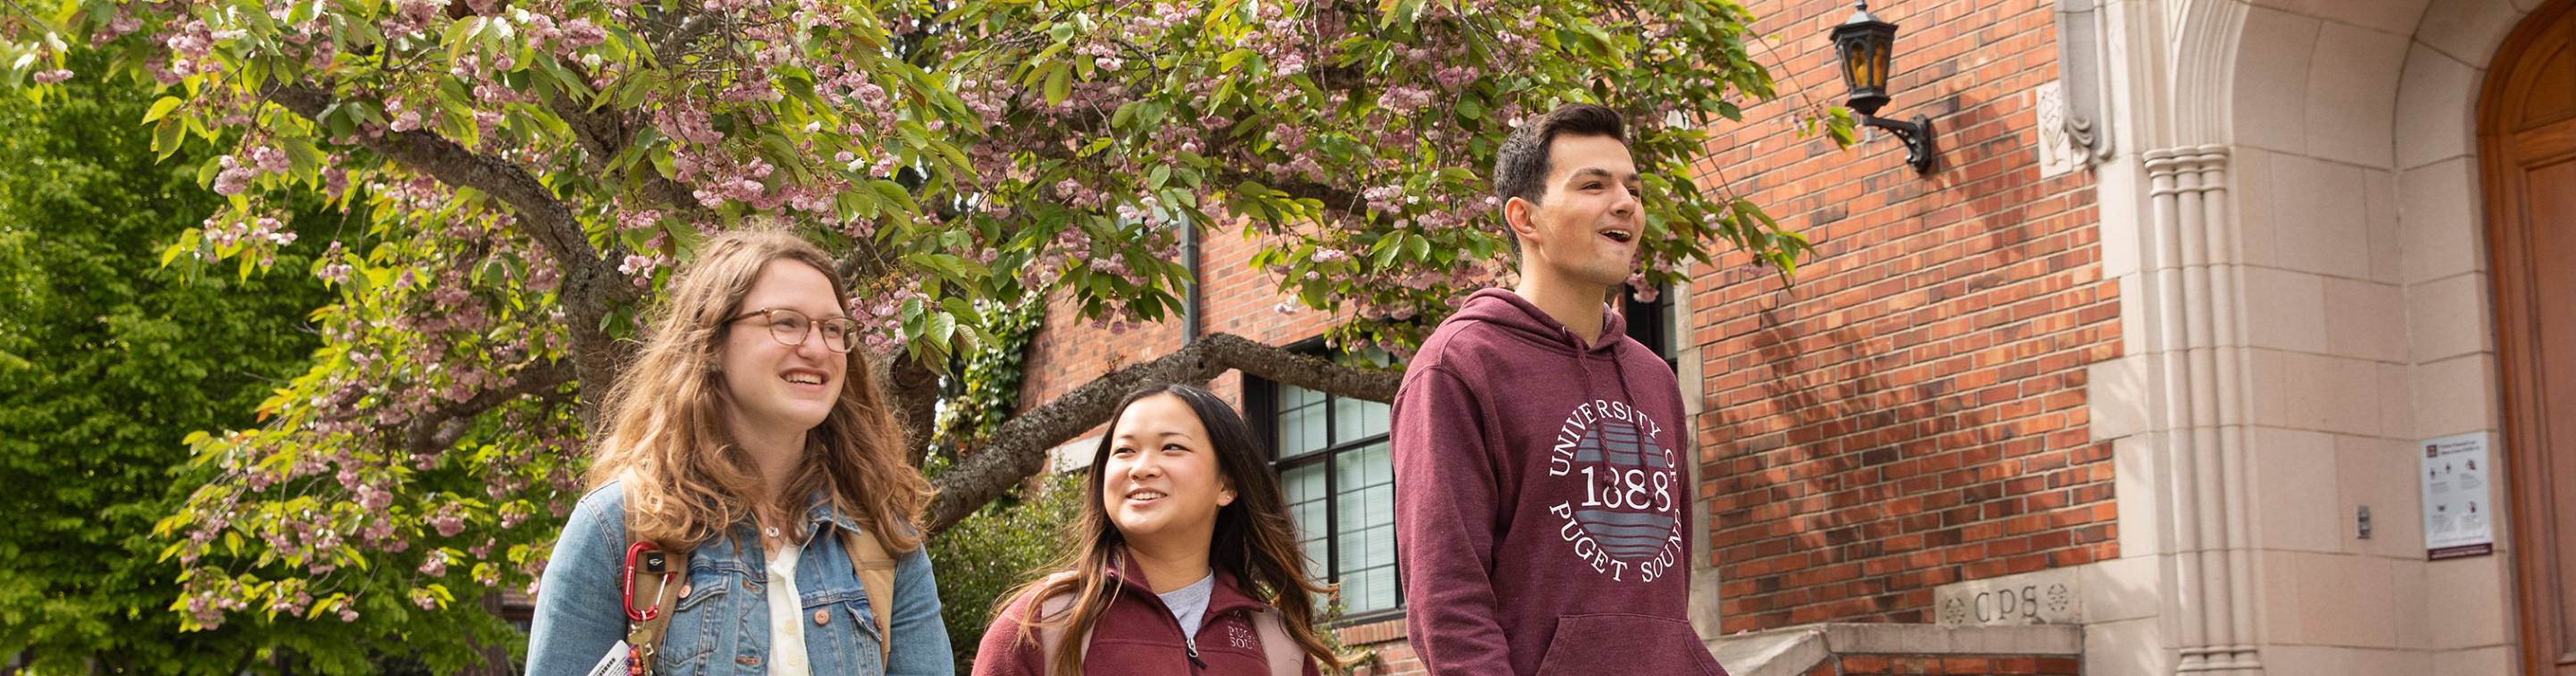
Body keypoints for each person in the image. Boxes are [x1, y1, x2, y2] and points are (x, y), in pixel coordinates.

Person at [527, 227, 952, 676]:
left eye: (832, 329)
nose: (816, 347)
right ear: (711, 342)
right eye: (786, 322)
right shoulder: (618, 527)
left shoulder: (884, 535)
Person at [1392, 102, 1723, 676]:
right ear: (1525, 218)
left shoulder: (1653, 377)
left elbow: (1669, 581)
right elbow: (1446, 597)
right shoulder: (1461, 366)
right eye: (1593, 185)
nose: (1624, 202)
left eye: (1632, 188)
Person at [971, 383, 1342, 676]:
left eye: (1172, 447)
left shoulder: (1277, 643)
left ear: (1227, 485)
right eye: (1125, 451)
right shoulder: (1039, 625)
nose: (1141, 468)